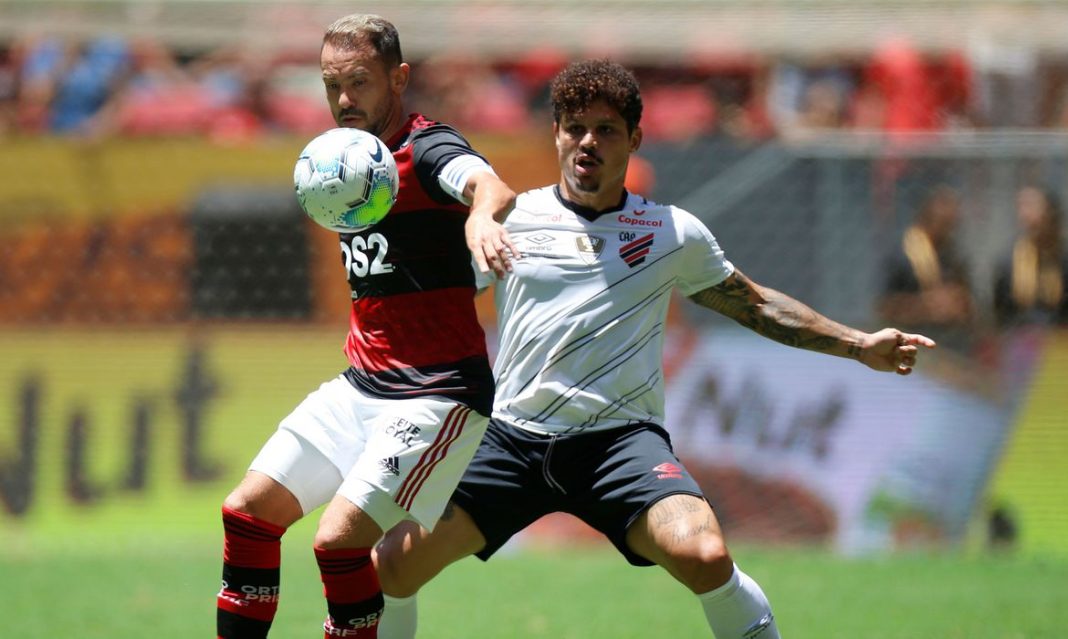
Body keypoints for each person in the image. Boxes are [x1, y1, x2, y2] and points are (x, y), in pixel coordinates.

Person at [373, 59, 936, 639]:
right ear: (556, 134)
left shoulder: (671, 232)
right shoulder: (509, 220)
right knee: (392, 564)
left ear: (635, 139)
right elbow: (434, 302)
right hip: (512, 441)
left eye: (606, 130)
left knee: (705, 555)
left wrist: (859, 345)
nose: (587, 142)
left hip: (618, 446)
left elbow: (758, 305)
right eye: (575, 128)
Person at [214, 14, 518, 639]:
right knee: (247, 514)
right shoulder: (338, 158)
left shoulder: (426, 149)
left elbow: (489, 185)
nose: (345, 99)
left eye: (359, 82)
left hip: (438, 394)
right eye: (333, 85)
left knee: (338, 543)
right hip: (361, 385)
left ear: (398, 79)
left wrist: (483, 215)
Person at [878, 184, 976, 353]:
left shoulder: (954, 256)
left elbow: (970, 306)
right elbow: (884, 308)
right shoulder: (902, 255)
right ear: (925, 219)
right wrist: (926, 305)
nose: (947, 231)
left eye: (951, 225)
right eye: (942, 223)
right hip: (912, 340)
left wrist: (959, 303)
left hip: (953, 344)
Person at [993, 185, 1068, 326]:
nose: (1025, 215)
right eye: (1021, 207)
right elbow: (1001, 312)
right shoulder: (1008, 261)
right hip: (1019, 334)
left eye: (1032, 206)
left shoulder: (1063, 258)